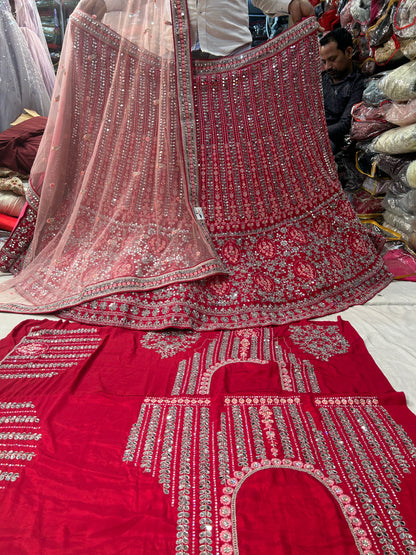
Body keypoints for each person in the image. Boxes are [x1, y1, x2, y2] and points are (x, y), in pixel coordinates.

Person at [0, 0, 391, 329]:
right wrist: (95, 8)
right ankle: (173, 233)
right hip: (163, 59)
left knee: (231, 160)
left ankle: (231, 238)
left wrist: (288, 4)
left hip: (229, 57)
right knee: (165, 163)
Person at [320, 27, 365, 153]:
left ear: (349, 53)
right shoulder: (322, 79)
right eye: (324, 61)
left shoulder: (356, 83)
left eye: (332, 59)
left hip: (330, 139)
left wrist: (316, 133)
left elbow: (345, 124)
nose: (328, 66)